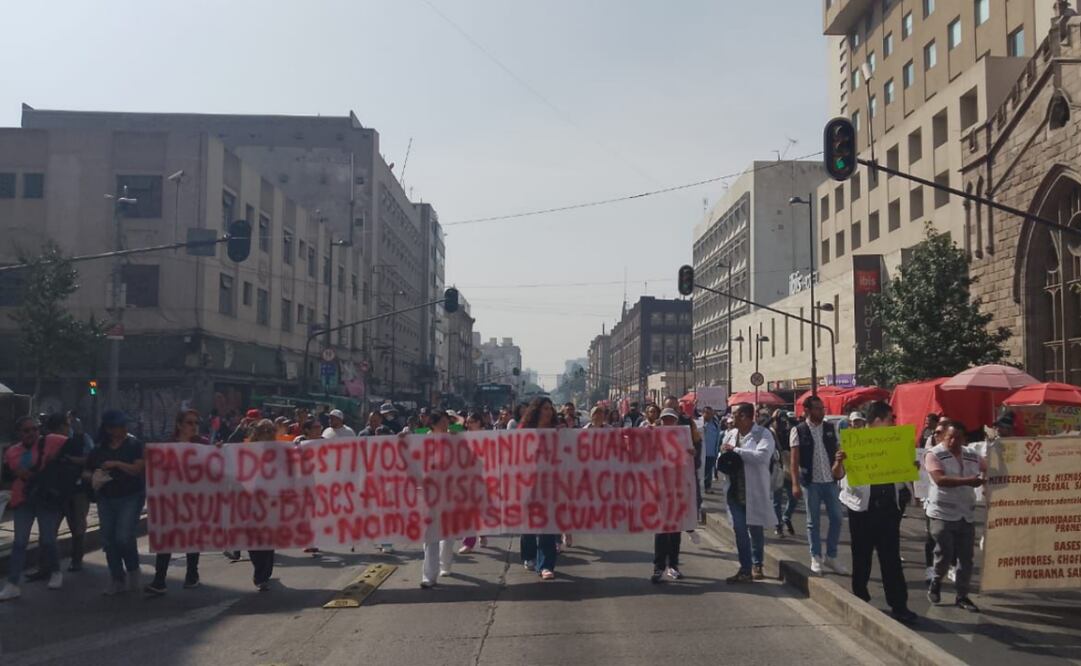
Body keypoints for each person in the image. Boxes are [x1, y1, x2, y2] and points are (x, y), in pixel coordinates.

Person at [833, 401, 918, 624]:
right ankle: (860, 597)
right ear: (879, 420)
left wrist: (911, 468)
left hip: (889, 508)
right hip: (861, 509)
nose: (893, 422)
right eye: (890, 418)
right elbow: (838, 474)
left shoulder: (896, 442)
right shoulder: (855, 442)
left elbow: (904, 473)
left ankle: (899, 605)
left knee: (891, 558)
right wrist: (839, 461)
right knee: (861, 556)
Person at [0, 415, 68, 601]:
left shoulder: (51, 441)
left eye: (34, 429)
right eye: (26, 430)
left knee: (48, 539)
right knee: (19, 542)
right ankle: (13, 583)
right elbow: (14, 473)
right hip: (23, 499)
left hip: (45, 499)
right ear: (19, 433)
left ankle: (55, 571)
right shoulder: (12, 452)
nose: (31, 433)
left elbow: (73, 444)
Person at [146, 410, 209, 596]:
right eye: (189, 422)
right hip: (171, 500)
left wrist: (220, 451)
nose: (194, 426)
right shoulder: (168, 446)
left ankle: (192, 574)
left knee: (192, 537)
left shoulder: (203, 445)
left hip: (194, 499)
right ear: (179, 425)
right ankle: (159, 580)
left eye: (196, 422)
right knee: (166, 538)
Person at [924, 420, 984, 612]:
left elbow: (990, 469)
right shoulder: (934, 454)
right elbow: (940, 479)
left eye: (957, 438)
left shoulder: (972, 455)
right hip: (942, 513)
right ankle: (936, 580)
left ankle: (962, 595)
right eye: (949, 437)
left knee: (966, 558)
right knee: (945, 553)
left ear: (964, 439)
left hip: (965, 514)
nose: (953, 441)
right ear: (943, 437)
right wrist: (968, 481)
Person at [87, 410, 146, 596]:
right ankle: (117, 578)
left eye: (123, 425)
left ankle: (133, 569)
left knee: (123, 536)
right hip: (106, 497)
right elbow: (87, 470)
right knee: (108, 539)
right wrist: (96, 477)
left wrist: (117, 464)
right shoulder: (99, 448)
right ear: (109, 429)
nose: (123, 428)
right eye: (119, 426)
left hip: (130, 496)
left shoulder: (134, 444)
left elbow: (137, 468)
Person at [790, 395, 848, 575]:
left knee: (837, 518)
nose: (822, 412)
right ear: (807, 410)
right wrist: (795, 484)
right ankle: (815, 556)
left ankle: (831, 556)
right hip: (811, 483)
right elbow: (794, 461)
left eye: (823, 408)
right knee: (812, 522)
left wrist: (840, 459)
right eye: (818, 408)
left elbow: (838, 449)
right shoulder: (798, 430)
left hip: (830, 481)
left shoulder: (830, 428)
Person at [719, 402, 775, 583]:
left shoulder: (763, 434)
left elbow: (762, 457)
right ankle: (745, 569)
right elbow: (722, 456)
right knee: (740, 530)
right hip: (734, 491)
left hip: (754, 490)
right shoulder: (731, 434)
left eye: (734, 415)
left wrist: (735, 450)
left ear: (743, 416)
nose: (731, 418)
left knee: (756, 528)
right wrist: (724, 456)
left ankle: (757, 564)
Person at [517, 397, 561, 580]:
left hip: (550, 483)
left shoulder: (557, 431)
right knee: (529, 523)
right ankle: (529, 556)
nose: (548, 412)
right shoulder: (524, 430)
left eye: (550, 409)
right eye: (545, 408)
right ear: (536, 411)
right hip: (528, 483)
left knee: (548, 524)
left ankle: (546, 565)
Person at [651, 408, 694, 582]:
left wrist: (692, 454)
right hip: (660, 489)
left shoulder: (684, 437)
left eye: (671, 419)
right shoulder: (653, 436)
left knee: (675, 529)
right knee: (661, 529)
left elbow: (693, 462)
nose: (668, 422)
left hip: (678, 489)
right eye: (665, 419)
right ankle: (658, 567)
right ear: (661, 421)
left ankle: (673, 566)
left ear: (676, 421)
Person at [421, 410, 456, 587]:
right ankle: (429, 576)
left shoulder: (454, 439)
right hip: (429, 493)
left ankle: (445, 564)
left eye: (446, 421)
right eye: (441, 422)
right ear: (432, 424)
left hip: (450, 491)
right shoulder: (422, 441)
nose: (445, 425)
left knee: (448, 533)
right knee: (429, 534)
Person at [61, 412, 95, 572]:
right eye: (69, 422)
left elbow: (91, 458)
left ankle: (77, 559)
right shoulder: (57, 440)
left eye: (75, 422)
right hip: (60, 488)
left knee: (78, 525)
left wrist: (70, 460)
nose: (73, 425)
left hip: (79, 488)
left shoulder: (84, 439)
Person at [770, 409, 797, 537]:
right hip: (776, 469)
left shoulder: (789, 431)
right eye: (778, 421)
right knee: (777, 500)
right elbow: (760, 427)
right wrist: (771, 417)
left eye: (783, 421)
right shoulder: (769, 433)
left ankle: (786, 517)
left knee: (794, 497)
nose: (781, 424)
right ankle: (778, 525)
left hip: (788, 468)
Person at [701, 406, 721, 493]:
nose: (709, 415)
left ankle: (707, 487)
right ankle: (700, 488)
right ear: (703, 413)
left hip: (712, 452)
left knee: (709, 471)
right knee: (701, 471)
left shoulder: (715, 424)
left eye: (711, 413)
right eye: (707, 413)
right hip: (701, 452)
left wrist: (717, 450)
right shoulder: (699, 424)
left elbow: (718, 437)